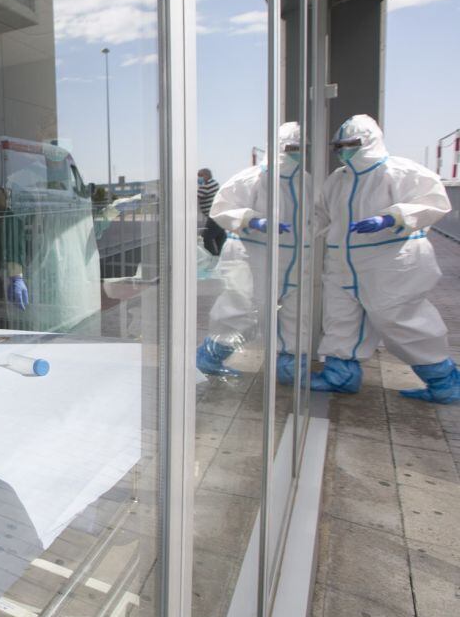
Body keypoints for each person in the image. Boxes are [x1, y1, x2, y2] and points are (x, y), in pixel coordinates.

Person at [312, 114, 460, 403]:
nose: (344, 150)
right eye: (339, 145)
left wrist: (391, 218)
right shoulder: (337, 180)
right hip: (342, 264)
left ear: (369, 141)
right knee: (340, 319)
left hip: (391, 263)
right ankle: (340, 375)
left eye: (350, 144)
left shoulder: (400, 172)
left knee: (402, 321)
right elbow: (320, 215)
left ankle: (443, 380)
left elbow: (434, 203)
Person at [197, 123, 303, 381]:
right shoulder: (252, 178)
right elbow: (221, 208)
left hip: (292, 258)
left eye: (299, 149)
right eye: (289, 148)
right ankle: (210, 357)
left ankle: (287, 365)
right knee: (242, 308)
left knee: (294, 313)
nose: (294, 154)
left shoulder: (304, 182)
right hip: (250, 252)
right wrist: (252, 220)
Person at [198, 168, 226, 255]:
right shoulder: (213, 183)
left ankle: (213, 258)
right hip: (218, 215)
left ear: (206, 176)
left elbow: (197, 195)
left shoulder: (208, 185)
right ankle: (219, 257)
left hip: (215, 216)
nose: (198, 178)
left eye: (200, 176)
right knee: (219, 237)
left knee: (206, 238)